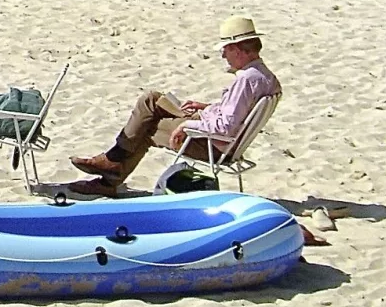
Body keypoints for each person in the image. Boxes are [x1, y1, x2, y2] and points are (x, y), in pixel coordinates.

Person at [68, 16, 280, 196]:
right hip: (214, 131)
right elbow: (235, 112)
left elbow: (225, 127)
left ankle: (110, 171)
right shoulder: (264, 76)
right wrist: (204, 107)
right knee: (152, 99)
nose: (223, 55)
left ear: (236, 49)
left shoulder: (246, 80)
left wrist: (185, 126)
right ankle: (111, 165)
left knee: (148, 125)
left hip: (210, 143)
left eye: (225, 49)